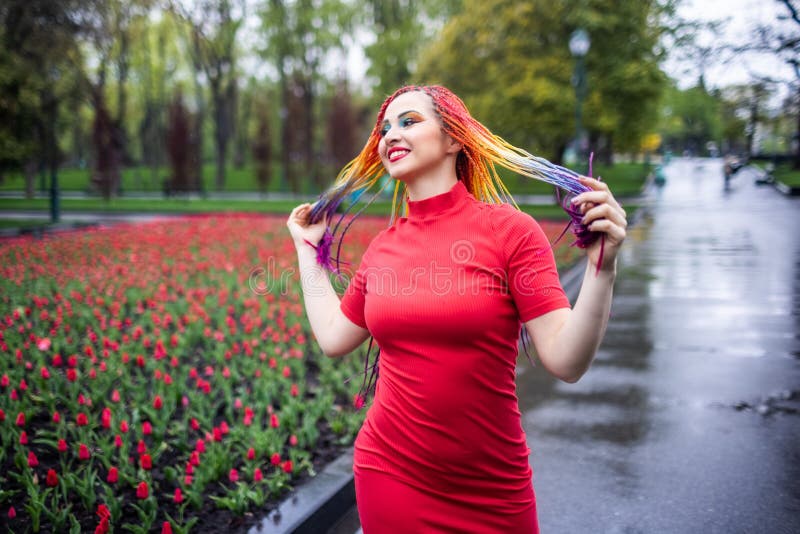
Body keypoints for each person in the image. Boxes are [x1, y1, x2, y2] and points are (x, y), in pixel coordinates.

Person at [287, 85, 627, 533]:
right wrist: (308, 253)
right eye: (384, 128)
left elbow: (566, 361)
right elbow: (334, 338)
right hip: (390, 474)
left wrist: (602, 271)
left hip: (492, 490)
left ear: (453, 139)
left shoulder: (511, 232)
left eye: (409, 121)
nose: (391, 134)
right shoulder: (383, 250)